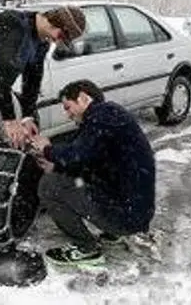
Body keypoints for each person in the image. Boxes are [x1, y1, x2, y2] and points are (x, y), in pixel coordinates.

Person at [29, 80, 156, 266]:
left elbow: (78, 155)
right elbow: (89, 162)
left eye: (68, 107)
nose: (67, 114)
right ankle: (113, 232)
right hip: (134, 212)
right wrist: (56, 165)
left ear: (82, 98)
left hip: (127, 216)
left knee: (49, 186)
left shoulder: (100, 117)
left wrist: (48, 149)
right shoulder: (108, 115)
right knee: (71, 177)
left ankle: (87, 249)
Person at [0, 5, 86, 167]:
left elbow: (32, 79)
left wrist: (27, 116)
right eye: (61, 36)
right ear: (54, 22)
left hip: (2, 93)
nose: (58, 41)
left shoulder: (41, 41)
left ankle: (21, 185)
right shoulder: (13, 25)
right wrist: (10, 120)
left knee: (25, 141)